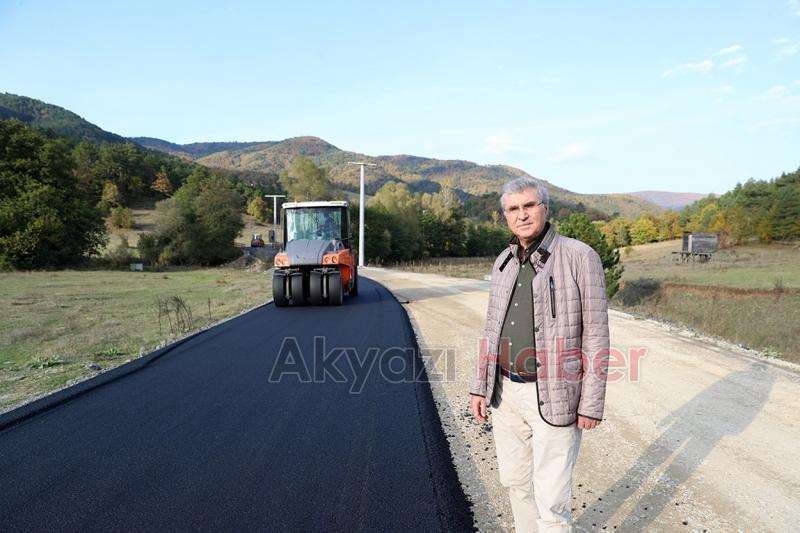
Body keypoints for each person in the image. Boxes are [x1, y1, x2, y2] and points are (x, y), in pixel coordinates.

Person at [470, 176, 609, 532]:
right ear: (505, 216)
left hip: (554, 393)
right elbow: (491, 328)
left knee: (552, 498)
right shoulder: (503, 260)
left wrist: (591, 403)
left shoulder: (579, 256)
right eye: (513, 209)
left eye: (529, 206)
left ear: (545, 209)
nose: (522, 215)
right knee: (516, 483)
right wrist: (479, 387)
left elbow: (595, 333)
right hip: (505, 394)